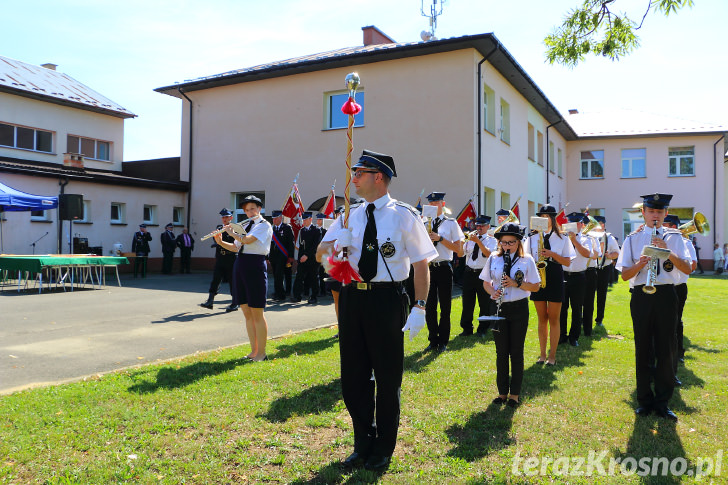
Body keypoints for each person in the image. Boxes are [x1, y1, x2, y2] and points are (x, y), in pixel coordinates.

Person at [318, 149, 437, 471]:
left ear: (379, 177)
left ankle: (384, 446)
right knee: (353, 375)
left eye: (359, 172)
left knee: (386, 377)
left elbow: (421, 264)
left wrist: (420, 307)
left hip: (387, 299)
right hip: (353, 297)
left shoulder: (404, 214)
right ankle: (362, 443)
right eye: (354, 172)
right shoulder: (348, 215)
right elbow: (319, 255)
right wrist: (333, 245)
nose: (353, 178)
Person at [616, 193, 691, 422]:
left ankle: (662, 402)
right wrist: (640, 263)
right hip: (642, 295)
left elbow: (687, 268)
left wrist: (668, 251)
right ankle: (644, 400)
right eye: (651, 211)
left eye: (660, 212)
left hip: (667, 294)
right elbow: (624, 275)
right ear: (644, 213)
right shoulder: (632, 239)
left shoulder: (676, 237)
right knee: (643, 347)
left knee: (667, 348)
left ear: (665, 213)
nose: (655, 216)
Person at [480, 223, 541, 407]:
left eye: (511, 243)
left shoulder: (527, 259)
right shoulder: (493, 257)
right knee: (501, 352)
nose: (506, 246)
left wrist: (516, 283)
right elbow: (486, 282)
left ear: (519, 242)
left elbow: (536, 286)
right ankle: (502, 393)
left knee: (516, 351)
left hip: (519, 308)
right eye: (503, 243)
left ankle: (514, 394)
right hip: (499, 308)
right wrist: (492, 292)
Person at [214, 195, 273, 362]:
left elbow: (247, 240)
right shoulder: (246, 224)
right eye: (246, 210)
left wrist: (230, 231)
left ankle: (262, 353)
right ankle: (253, 351)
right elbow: (235, 247)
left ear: (260, 208)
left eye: (253, 208)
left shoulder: (264, 225)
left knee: (257, 312)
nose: (249, 212)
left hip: (254, 265)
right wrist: (220, 242)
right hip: (240, 264)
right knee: (247, 312)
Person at [524, 205, 575, 365]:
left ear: (553, 219)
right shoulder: (531, 238)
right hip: (537, 276)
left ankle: (552, 356)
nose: (544, 219)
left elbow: (567, 262)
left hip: (554, 275)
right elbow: (526, 259)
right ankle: (542, 355)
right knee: (541, 318)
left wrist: (552, 254)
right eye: (542, 216)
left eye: (547, 217)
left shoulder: (563, 238)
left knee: (554, 318)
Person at [424, 192, 465, 353]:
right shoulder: (423, 222)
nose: (434, 206)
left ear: (443, 204)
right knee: (430, 306)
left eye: (436, 203)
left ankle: (443, 341)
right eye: (431, 203)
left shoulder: (451, 223)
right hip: (428, 267)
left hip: (444, 267)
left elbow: (459, 251)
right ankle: (432, 340)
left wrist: (440, 239)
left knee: (445, 307)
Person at [663, 214, 696, 375]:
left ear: (673, 227)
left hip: (678, 286)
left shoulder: (686, 242)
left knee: (676, 321)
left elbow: (693, 265)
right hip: (663, 286)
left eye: (665, 224)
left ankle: (678, 353)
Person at [559, 212, 598, 347]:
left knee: (577, 309)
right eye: (571, 223)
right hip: (563, 275)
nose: (575, 226)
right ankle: (561, 335)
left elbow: (588, 254)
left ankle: (573, 337)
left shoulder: (586, 239)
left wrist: (574, 240)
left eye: (577, 224)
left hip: (579, 276)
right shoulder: (562, 238)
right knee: (562, 308)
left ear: (581, 225)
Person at [459, 215, 498, 337]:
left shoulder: (492, 241)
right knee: (467, 302)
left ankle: (482, 329)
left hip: (483, 274)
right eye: (477, 225)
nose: (479, 227)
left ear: (488, 226)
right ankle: (466, 328)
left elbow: (488, 254)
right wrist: (461, 241)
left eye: (482, 225)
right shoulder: (470, 239)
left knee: (484, 303)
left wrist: (478, 242)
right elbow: (461, 254)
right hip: (469, 273)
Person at [200, 209, 239, 312]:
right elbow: (217, 241)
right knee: (215, 279)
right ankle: (210, 301)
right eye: (223, 217)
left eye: (226, 217)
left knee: (232, 281)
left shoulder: (235, 228)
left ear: (231, 218)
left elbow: (235, 242)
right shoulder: (219, 228)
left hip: (231, 258)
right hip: (220, 258)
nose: (224, 219)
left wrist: (230, 232)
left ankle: (235, 303)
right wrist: (215, 236)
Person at [592, 216, 620, 326]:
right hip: (591, 269)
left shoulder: (609, 237)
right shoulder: (589, 236)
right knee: (587, 295)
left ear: (603, 225)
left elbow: (617, 253)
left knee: (601, 294)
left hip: (604, 268)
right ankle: (584, 318)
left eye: (597, 224)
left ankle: (599, 319)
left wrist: (609, 256)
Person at [292, 212, 322, 304]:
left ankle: (314, 296)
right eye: (303, 219)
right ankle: (297, 296)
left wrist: (307, 255)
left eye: (305, 219)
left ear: (310, 219)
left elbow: (316, 245)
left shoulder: (316, 230)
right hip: (303, 259)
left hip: (312, 259)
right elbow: (301, 245)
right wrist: (299, 257)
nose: (304, 221)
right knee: (299, 277)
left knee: (313, 278)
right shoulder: (302, 231)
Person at [269, 210, 295, 301]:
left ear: (280, 218)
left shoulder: (287, 228)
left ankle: (281, 294)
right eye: (273, 218)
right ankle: (278, 291)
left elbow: (291, 243)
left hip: (283, 255)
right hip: (273, 256)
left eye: (276, 218)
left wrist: (291, 256)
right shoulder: (271, 229)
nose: (274, 220)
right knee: (276, 275)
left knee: (280, 274)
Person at [316, 213, 329, 295]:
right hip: (317, 254)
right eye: (317, 219)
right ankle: (319, 290)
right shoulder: (316, 229)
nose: (318, 221)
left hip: (324, 255)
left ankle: (323, 291)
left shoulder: (326, 231)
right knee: (317, 274)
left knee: (323, 274)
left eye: (320, 219)